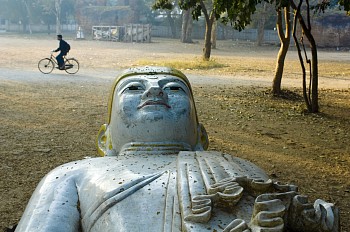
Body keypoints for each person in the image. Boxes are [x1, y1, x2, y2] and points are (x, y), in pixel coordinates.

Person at [15, 67, 339, 231]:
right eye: (134, 87)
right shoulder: (75, 174)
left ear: (201, 135)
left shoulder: (238, 170)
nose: (155, 89)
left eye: (172, 87)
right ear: (105, 139)